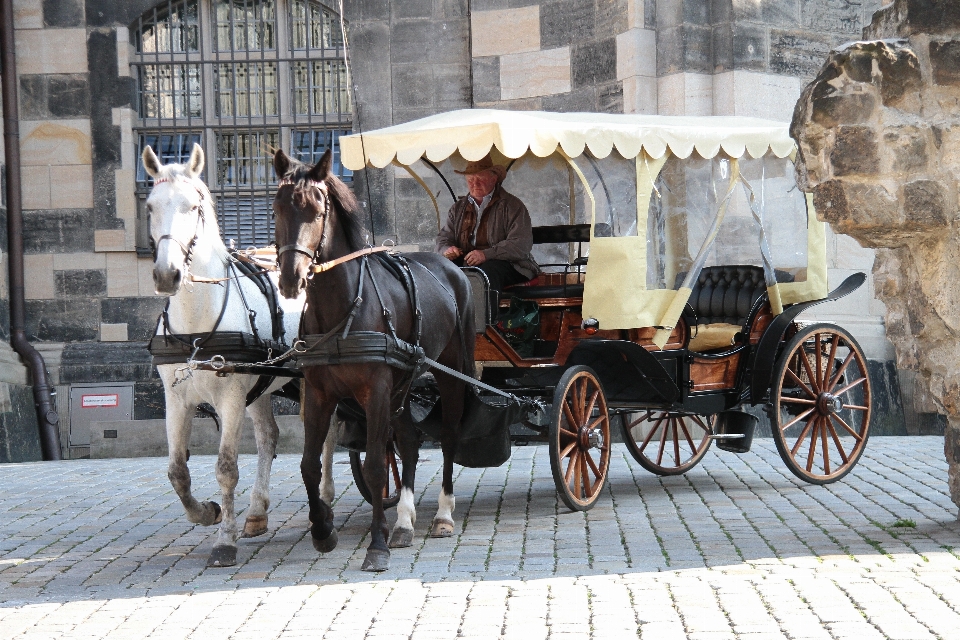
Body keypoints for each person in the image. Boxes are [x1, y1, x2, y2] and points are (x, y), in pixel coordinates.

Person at [436, 154, 539, 293]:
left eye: (481, 179)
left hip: (511, 265)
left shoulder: (512, 206)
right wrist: (447, 249)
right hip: (468, 263)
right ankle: (450, 314)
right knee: (441, 271)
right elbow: (444, 238)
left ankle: (484, 315)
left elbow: (520, 244)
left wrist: (486, 254)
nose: (475, 184)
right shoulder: (458, 208)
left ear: (494, 179)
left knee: (485, 274)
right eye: (471, 179)